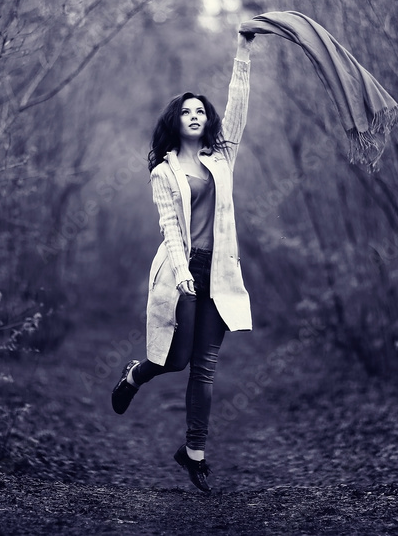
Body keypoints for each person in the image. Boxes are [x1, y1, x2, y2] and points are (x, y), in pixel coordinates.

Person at [111, 28, 256, 493]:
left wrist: (243, 50)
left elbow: (238, 106)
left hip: (220, 271)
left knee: (206, 365)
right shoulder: (163, 171)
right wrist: (180, 274)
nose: (195, 116)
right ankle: (135, 374)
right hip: (183, 270)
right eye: (186, 111)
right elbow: (170, 229)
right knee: (174, 360)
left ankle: (194, 452)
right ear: (175, 121)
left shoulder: (222, 159)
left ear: (206, 120)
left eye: (201, 111)